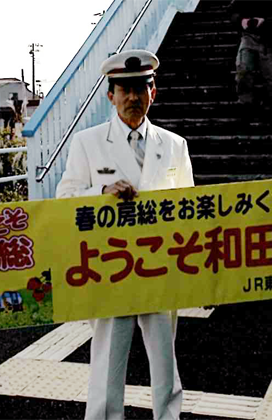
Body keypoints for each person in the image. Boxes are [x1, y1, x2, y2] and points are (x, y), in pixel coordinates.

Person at [56, 49, 194, 420]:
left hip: (160, 265)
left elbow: (190, 209)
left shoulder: (175, 145)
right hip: (110, 267)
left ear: (154, 91)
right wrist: (100, 195)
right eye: (124, 89)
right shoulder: (88, 142)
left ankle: (168, 416)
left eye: (141, 88)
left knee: (165, 356)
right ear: (110, 95)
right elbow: (65, 198)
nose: (133, 97)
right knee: (107, 358)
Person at [229, 0, 272, 114]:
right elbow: (231, 11)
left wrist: (265, 22)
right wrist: (241, 21)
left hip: (271, 37)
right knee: (243, 68)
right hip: (249, 35)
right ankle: (245, 102)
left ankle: (271, 102)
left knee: (271, 75)